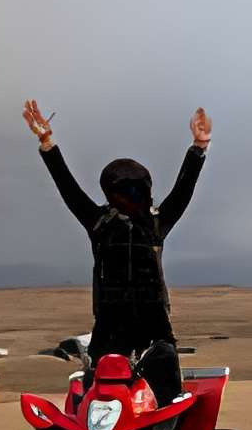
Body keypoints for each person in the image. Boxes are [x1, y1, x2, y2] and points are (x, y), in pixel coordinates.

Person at [22, 98, 210, 404]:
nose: (131, 195)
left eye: (136, 188)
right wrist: (47, 143)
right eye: (125, 190)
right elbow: (68, 187)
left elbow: (183, 191)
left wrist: (199, 148)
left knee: (165, 398)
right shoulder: (100, 223)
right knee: (98, 400)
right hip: (110, 331)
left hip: (154, 330)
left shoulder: (155, 223)